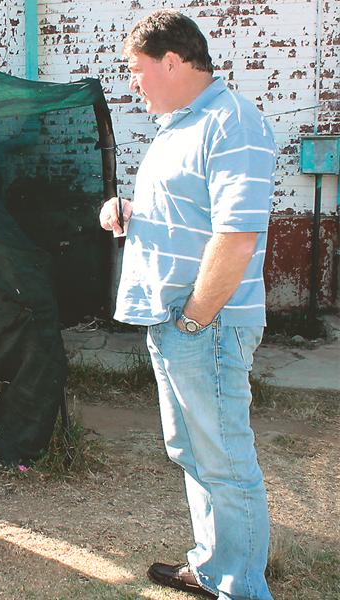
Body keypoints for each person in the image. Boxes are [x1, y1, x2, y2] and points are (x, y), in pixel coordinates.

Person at [99, 10, 276, 600]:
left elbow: (237, 235)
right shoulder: (179, 125)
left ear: (171, 62)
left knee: (224, 461)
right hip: (176, 321)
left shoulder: (232, 122)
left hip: (207, 324)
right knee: (194, 453)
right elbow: (191, 214)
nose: (133, 82)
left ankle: (241, 588)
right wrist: (129, 213)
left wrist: (197, 319)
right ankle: (213, 566)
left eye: (137, 69)